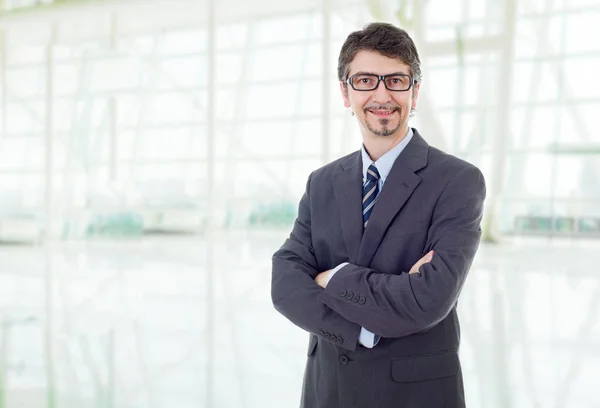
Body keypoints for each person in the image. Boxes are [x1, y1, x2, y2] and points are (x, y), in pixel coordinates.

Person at [271, 22, 485, 408]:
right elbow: (285, 283)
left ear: (415, 91)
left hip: (415, 394)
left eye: (397, 80)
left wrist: (331, 277)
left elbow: (428, 300)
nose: (382, 94)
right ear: (345, 91)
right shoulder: (321, 182)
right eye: (366, 80)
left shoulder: (457, 181)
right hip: (329, 390)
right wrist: (363, 329)